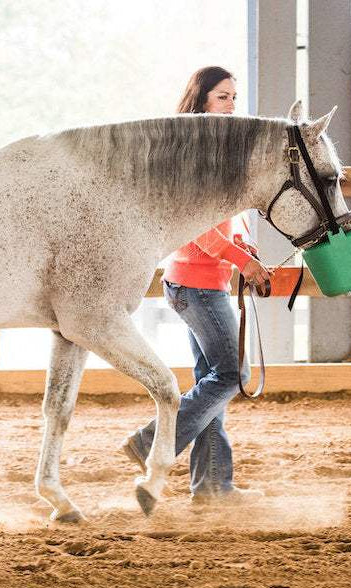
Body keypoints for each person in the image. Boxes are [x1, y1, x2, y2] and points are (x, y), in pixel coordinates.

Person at [122, 66, 273, 504]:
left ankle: (211, 487)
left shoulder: (211, 152)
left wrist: (243, 244)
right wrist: (242, 261)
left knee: (212, 380)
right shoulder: (194, 157)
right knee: (232, 375)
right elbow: (197, 230)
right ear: (202, 99)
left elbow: (222, 223)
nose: (231, 105)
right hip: (197, 287)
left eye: (233, 98)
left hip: (196, 285)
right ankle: (153, 442)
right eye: (222, 97)